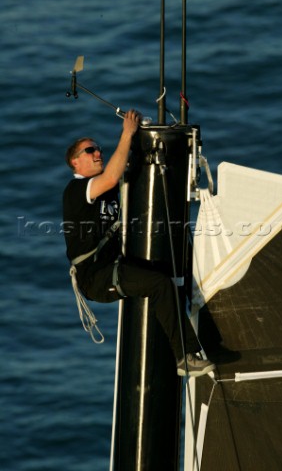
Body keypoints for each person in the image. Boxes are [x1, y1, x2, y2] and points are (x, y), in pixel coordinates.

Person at [63, 109, 215, 377]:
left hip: (114, 264)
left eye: (98, 148)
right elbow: (111, 177)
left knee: (169, 273)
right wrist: (127, 132)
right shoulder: (77, 190)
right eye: (90, 151)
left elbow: (120, 171)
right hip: (96, 276)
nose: (97, 153)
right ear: (75, 163)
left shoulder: (103, 188)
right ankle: (185, 357)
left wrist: (142, 142)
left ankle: (197, 332)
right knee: (160, 284)